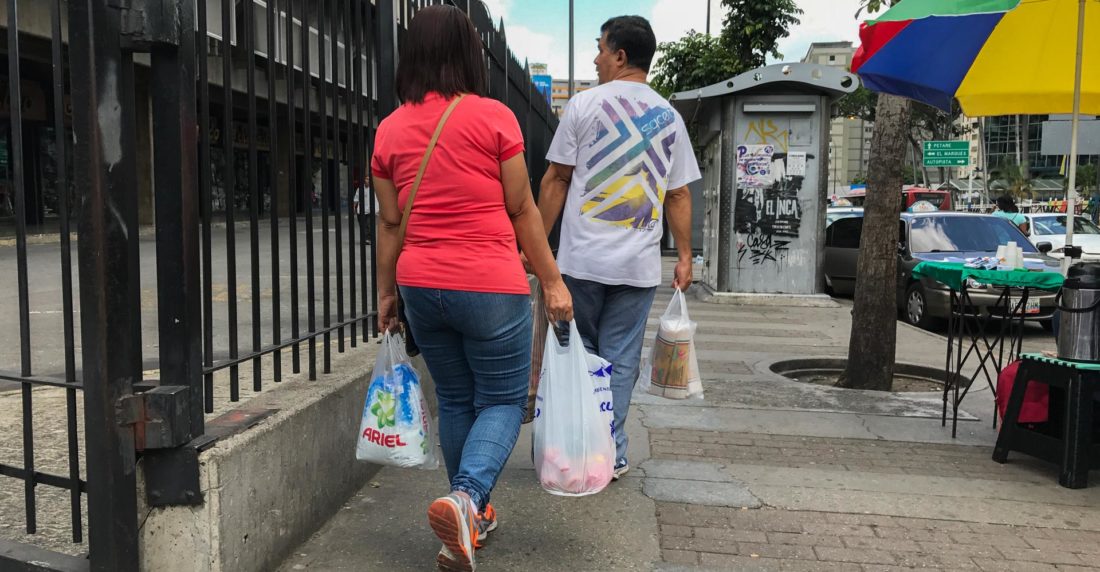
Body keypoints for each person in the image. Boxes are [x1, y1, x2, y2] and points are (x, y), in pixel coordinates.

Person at [371, 6, 572, 571]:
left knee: (457, 399)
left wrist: (386, 294)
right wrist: (552, 281)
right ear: (468, 55)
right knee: (504, 400)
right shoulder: (494, 118)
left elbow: (389, 222)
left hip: (420, 285)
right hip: (489, 284)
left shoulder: (389, 129)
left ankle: (470, 518)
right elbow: (522, 209)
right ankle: (466, 499)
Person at [536, 15, 700, 481]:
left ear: (620, 55)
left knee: (579, 352)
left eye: (601, 49)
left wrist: (534, 246)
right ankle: (611, 451)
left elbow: (557, 179)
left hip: (581, 263)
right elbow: (678, 194)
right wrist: (684, 257)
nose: (596, 59)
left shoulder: (583, 106)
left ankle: (575, 445)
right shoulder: (669, 117)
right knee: (620, 360)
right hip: (636, 267)